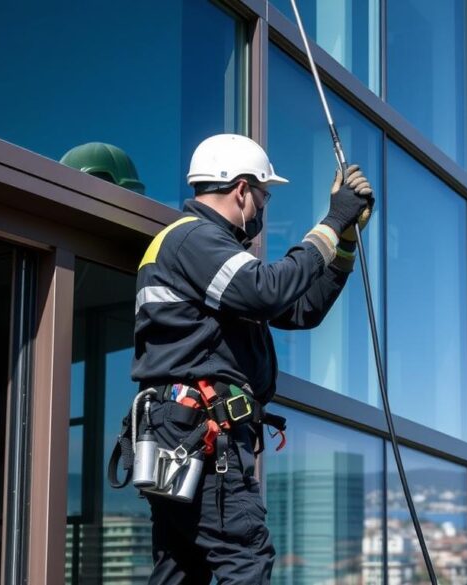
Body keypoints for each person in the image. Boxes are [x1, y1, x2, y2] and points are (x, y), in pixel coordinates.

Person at [130, 133, 372, 584]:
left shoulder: (207, 255)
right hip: (199, 432)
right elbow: (269, 290)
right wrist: (333, 219)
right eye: (263, 195)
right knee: (245, 559)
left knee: (183, 567)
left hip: (185, 432)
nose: (264, 207)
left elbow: (299, 309)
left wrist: (343, 248)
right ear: (241, 189)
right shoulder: (193, 241)